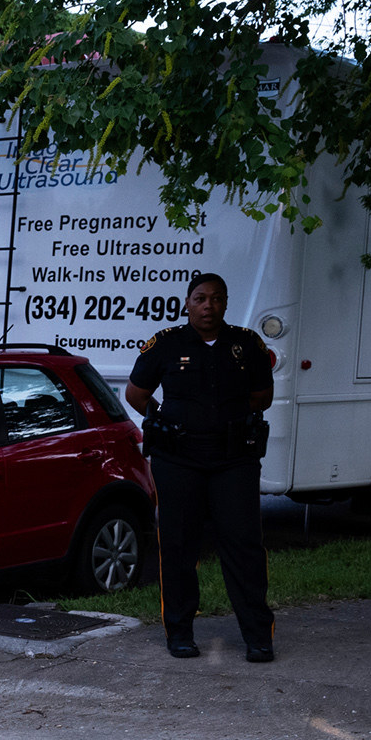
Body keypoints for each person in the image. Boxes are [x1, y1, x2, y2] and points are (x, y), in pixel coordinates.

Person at [125, 272, 276, 663]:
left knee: (244, 546)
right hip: (179, 460)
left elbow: (262, 396)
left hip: (234, 461)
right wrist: (167, 420)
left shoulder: (246, 344)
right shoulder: (167, 343)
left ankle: (258, 637)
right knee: (177, 546)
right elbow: (137, 393)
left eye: (216, 299)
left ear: (226, 303)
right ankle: (180, 634)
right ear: (187, 303)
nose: (208, 306)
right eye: (200, 298)